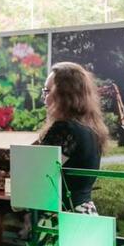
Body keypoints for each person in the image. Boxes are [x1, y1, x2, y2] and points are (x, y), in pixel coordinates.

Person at [38, 62, 108, 214]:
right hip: (86, 213)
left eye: (47, 91)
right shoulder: (93, 129)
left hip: (62, 216)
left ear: (63, 94)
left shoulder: (64, 129)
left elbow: (40, 175)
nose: (44, 98)